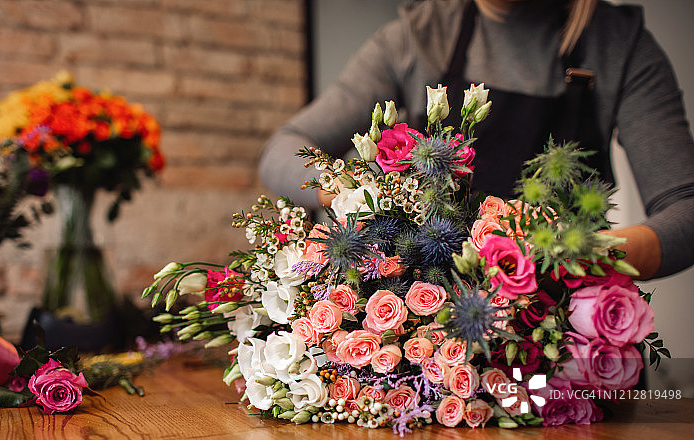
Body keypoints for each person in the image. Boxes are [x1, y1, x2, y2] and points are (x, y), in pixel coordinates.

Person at [259, 0, 694, 280]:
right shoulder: (419, 35)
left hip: (560, 332)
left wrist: (577, 255)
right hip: (431, 340)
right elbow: (283, 149)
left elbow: (686, 209)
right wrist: (356, 193)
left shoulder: (619, 45)